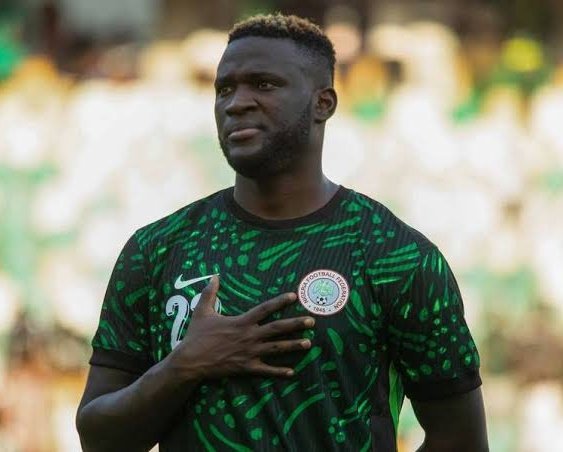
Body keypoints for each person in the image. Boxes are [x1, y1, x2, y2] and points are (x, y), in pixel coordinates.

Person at [76, 14, 488, 452]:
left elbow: (460, 440)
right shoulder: (156, 249)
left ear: (323, 103)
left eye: (264, 84)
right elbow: (98, 439)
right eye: (224, 89)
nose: (237, 103)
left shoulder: (397, 255)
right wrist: (184, 365)